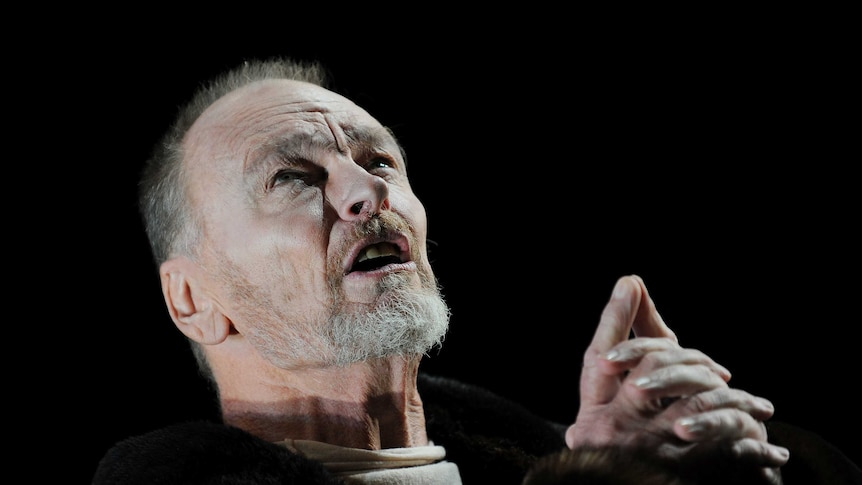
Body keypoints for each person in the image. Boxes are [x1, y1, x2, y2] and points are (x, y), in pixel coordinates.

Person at [92, 57, 860, 485]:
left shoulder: (550, 456)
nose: (368, 193)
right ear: (194, 299)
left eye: (378, 159)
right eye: (293, 178)